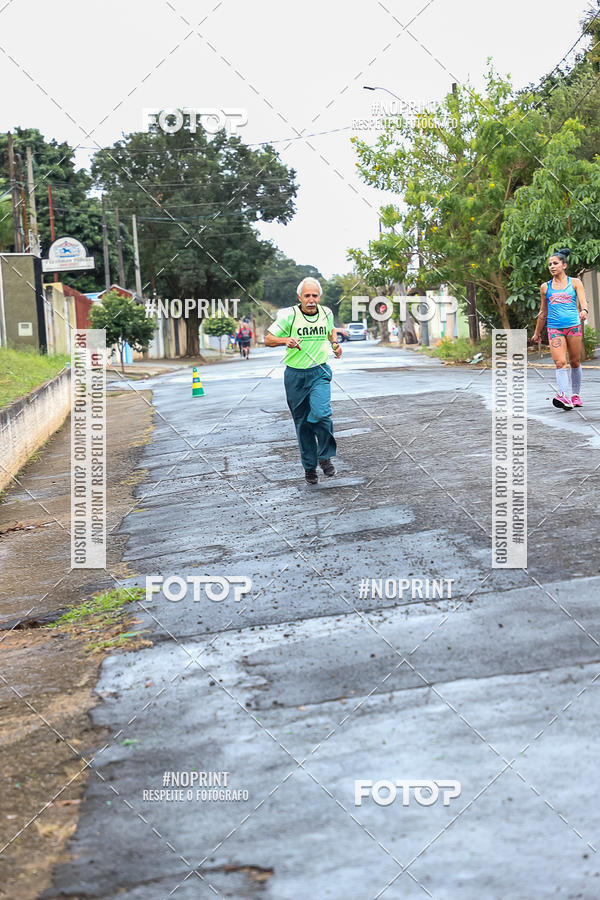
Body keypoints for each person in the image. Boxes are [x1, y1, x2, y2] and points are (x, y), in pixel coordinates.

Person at [265, 277, 342, 485]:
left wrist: (335, 344)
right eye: (307, 296)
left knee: (321, 414)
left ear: (319, 297)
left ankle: (324, 456)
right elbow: (268, 339)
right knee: (303, 424)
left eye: (314, 295)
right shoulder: (289, 315)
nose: (311, 299)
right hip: (295, 376)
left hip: (319, 372)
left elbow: (330, 330)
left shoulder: (326, 312)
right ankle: (309, 468)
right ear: (299, 297)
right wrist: (285, 340)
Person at [532, 247, 588, 410]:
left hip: (573, 327)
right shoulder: (545, 287)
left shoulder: (575, 283)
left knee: (574, 361)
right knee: (559, 362)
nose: (552, 266)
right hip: (554, 329)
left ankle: (575, 395)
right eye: (550, 264)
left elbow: (583, 302)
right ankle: (563, 396)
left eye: (555, 263)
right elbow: (543, 311)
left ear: (564, 265)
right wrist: (537, 332)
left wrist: (584, 311)